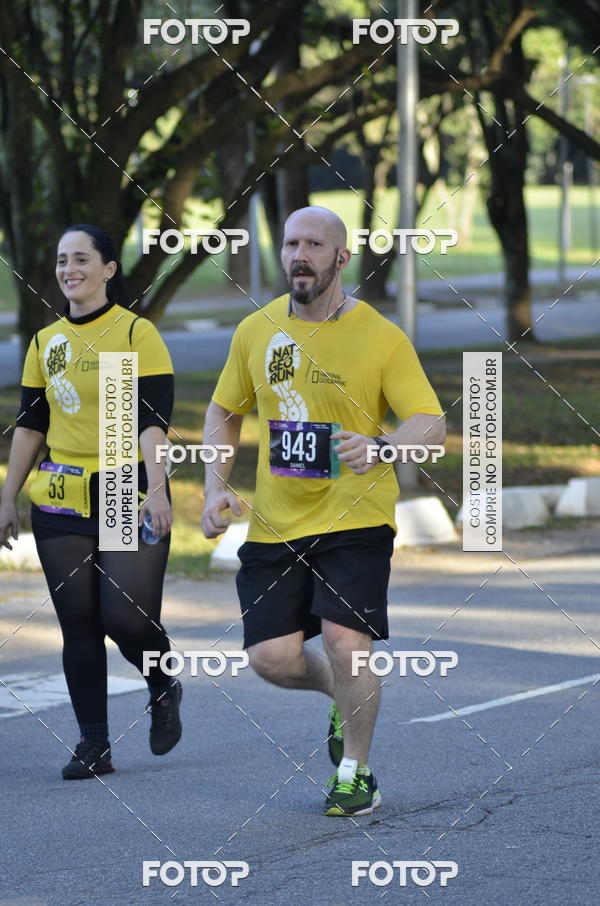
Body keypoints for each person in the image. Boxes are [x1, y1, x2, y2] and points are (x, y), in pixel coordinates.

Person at [201, 205, 446, 816]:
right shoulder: (255, 331)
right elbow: (224, 412)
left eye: (314, 244)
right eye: (289, 244)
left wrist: (383, 445)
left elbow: (433, 423)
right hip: (277, 522)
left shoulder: (381, 336)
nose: (299, 255)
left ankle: (355, 772)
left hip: (356, 517)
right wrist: (213, 486)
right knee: (272, 659)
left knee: (346, 643)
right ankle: (345, 696)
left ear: (341, 258)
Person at [0, 224, 182, 779]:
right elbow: (31, 426)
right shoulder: (45, 342)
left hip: (125, 486)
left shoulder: (134, 334)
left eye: (81, 259)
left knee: (126, 618)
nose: (68, 269)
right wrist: (7, 496)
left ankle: (161, 680)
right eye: (61, 260)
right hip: (59, 495)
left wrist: (155, 489)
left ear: (108, 269)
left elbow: (152, 421)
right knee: (78, 622)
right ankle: (93, 744)